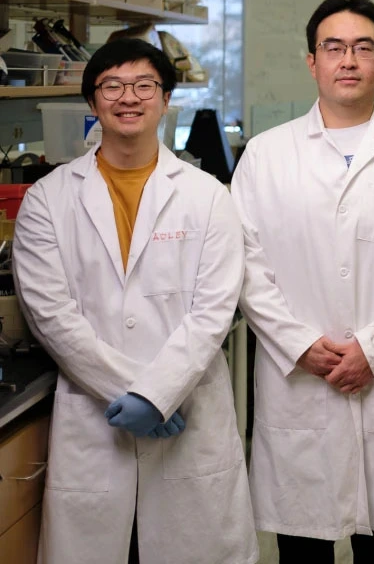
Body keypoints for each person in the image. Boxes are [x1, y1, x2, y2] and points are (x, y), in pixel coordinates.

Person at [13, 38, 257, 564]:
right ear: (93, 101)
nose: (129, 98)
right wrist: (138, 394)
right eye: (112, 86)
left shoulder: (208, 195)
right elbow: (51, 315)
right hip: (95, 419)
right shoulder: (48, 200)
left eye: (145, 85)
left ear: (166, 99)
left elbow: (213, 311)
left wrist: (162, 392)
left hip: (188, 413)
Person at [232, 0, 374, 563]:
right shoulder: (264, 156)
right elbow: (246, 264)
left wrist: (373, 352)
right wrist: (301, 345)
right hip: (297, 383)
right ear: (312, 62)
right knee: (302, 551)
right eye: (334, 47)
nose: (348, 60)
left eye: (363, 47)